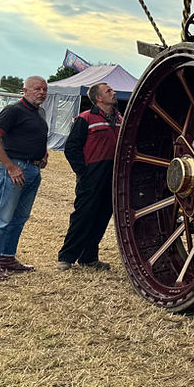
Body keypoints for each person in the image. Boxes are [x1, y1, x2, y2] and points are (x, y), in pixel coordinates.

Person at [0, 76, 49, 280]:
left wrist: (42, 155)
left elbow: (36, 137)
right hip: (16, 168)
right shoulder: (13, 111)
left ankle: (7, 258)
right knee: (3, 217)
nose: (42, 92)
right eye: (37, 89)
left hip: (33, 170)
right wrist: (10, 167)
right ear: (24, 91)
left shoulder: (40, 113)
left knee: (19, 218)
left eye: (45, 89)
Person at [56, 83, 122, 271]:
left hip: (113, 175)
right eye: (109, 91)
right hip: (92, 174)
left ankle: (89, 257)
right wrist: (83, 172)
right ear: (98, 98)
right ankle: (66, 257)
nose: (114, 92)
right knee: (83, 216)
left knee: (102, 216)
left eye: (112, 89)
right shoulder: (85, 119)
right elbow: (72, 148)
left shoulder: (119, 118)